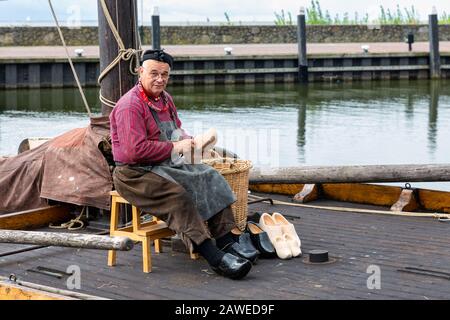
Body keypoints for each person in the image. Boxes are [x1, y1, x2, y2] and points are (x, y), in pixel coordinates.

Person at [109, 49, 258, 279]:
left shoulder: (165, 99)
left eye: (165, 74)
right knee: (178, 196)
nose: (160, 79)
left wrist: (189, 141)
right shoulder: (130, 106)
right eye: (154, 73)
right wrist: (173, 147)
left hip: (164, 163)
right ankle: (214, 258)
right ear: (140, 72)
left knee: (209, 176)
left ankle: (227, 241)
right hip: (134, 173)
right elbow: (133, 151)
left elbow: (176, 130)